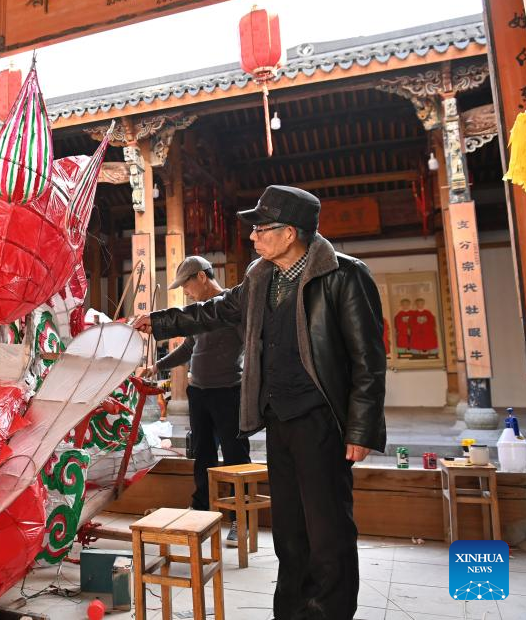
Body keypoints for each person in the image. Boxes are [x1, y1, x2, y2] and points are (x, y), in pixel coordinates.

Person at [133, 185, 386, 620]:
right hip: (279, 416)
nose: (253, 236)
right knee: (289, 529)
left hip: (322, 418)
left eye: (261, 228)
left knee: (327, 529)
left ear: (290, 233)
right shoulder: (260, 276)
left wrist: (361, 429)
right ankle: (291, 611)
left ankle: (329, 612)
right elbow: (214, 311)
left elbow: (369, 360)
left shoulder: (344, 275)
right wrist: (158, 323)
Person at [143, 255, 249, 546]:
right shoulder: (198, 315)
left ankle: (240, 520)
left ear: (202, 277)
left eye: (186, 285)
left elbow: (254, 345)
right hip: (199, 393)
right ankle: (201, 511)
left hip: (229, 392)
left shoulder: (230, 306)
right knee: (202, 454)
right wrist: (157, 366)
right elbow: (188, 347)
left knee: (235, 457)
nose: (186, 292)